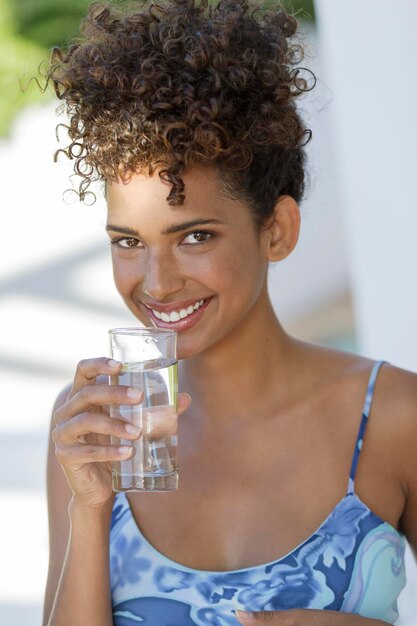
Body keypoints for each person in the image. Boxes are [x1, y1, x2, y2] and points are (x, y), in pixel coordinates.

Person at [42, 1, 417, 625]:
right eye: (129, 242)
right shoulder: (99, 431)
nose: (157, 283)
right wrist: (89, 507)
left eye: (195, 237)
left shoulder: (394, 420)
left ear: (277, 229)